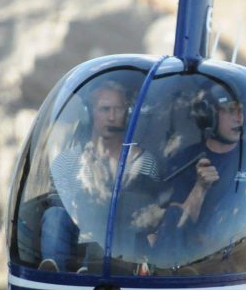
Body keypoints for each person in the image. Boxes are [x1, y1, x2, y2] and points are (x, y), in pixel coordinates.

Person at [40, 80, 159, 272]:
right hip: (77, 237)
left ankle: (92, 271)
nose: (112, 117)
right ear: (89, 114)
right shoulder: (67, 161)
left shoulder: (143, 161)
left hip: (120, 245)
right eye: (104, 109)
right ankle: (55, 273)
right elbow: (60, 204)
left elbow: (148, 214)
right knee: (54, 215)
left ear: (126, 115)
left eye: (118, 109)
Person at [157, 83, 246, 252]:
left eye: (241, 111)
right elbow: (174, 229)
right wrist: (200, 187)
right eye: (230, 110)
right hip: (195, 260)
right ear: (209, 115)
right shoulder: (183, 162)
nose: (239, 118)